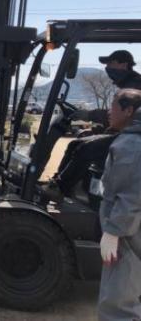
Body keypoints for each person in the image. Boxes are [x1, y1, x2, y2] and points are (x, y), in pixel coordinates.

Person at [42, 50, 141, 200]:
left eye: (110, 63)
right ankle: (59, 184)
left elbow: (123, 116)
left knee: (86, 148)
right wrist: (98, 129)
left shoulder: (134, 87)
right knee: (76, 143)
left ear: (123, 65)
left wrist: (89, 115)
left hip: (132, 139)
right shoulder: (127, 84)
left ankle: (60, 188)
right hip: (126, 134)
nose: (107, 68)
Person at [97, 89, 141, 321]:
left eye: (114, 105)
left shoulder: (133, 144)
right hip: (130, 230)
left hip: (127, 235)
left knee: (118, 305)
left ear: (128, 110)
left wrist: (113, 231)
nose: (109, 110)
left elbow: (132, 195)